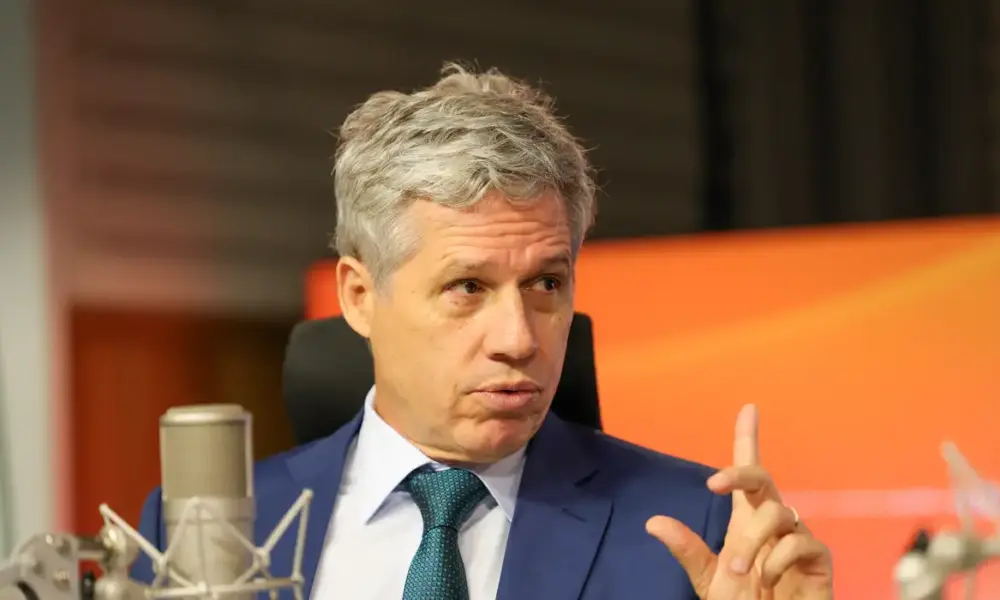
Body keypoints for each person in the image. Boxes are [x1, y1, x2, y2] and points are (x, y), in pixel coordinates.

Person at [132, 64, 834, 600]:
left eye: (546, 284)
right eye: (468, 287)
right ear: (359, 296)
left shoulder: (694, 532)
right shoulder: (204, 528)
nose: (519, 339)